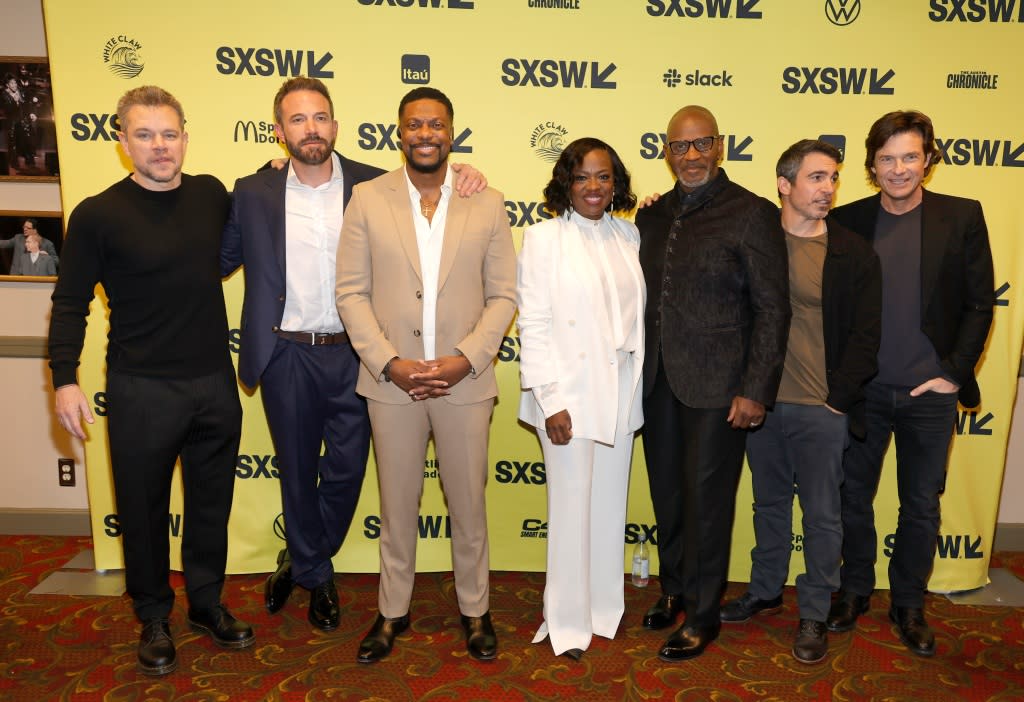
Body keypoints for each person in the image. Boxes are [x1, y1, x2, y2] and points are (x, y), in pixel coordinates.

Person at [221, 76, 487, 632]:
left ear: (336, 126)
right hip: (286, 353)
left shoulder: (372, 186)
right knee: (295, 472)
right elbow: (215, 258)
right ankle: (316, 574)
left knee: (345, 471)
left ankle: (300, 555)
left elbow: (432, 183)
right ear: (279, 131)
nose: (310, 128)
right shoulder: (253, 191)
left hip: (360, 355)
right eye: (297, 119)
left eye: (319, 117)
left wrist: (465, 171)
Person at [49, 86, 254, 677]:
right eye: (145, 134)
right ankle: (154, 617)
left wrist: (276, 167)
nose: (160, 146)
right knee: (141, 511)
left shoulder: (213, 195)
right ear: (123, 143)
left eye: (169, 134)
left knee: (211, 505)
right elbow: (68, 304)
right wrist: (64, 379)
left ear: (185, 137)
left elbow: (264, 212)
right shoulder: (96, 215)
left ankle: (206, 605)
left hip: (214, 382)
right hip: (141, 389)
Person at [336, 86, 516, 664]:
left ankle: (475, 610)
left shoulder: (486, 202)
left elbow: (504, 295)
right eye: (414, 124)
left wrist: (468, 358)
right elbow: (350, 292)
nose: (425, 134)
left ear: (452, 132)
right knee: (396, 505)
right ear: (400, 132)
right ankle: (392, 611)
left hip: (465, 382)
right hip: (393, 383)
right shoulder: (367, 198)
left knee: (468, 504)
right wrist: (389, 362)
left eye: (435, 124)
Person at [826, 110, 995, 657]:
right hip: (866, 392)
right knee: (853, 497)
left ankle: (908, 603)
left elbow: (978, 303)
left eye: (909, 156)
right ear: (872, 166)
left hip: (930, 396)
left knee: (920, 505)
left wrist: (952, 374)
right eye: (887, 158)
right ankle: (853, 591)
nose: (899, 168)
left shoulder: (962, 216)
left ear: (928, 159)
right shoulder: (847, 219)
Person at [636, 104, 790, 661]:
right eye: (681, 146)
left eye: (703, 144)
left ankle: (703, 614)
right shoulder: (650, 216)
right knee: (668, 496)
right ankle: (674, 591)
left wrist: (755, 389)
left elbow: (773, 309)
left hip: (721, 390)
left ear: (720, 147)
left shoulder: (751, 213)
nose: (693, 155)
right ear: (666, 150)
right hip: (656, 382)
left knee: (707, 502)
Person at [719, 139, 881, 664]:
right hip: (761, 404)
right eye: (816, 178)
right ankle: (765, 589)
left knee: (822, 515)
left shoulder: (852, 252)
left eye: (833, 178)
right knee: (768, 504)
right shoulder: (756, 240)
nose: (828, 189)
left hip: (820, 407)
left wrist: (838, 400)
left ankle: (813, 609)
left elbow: (866, 336)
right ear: (784, 185)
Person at [517, 137, 645, 662]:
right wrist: (550, 400)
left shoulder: (629, 234)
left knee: (610, 508)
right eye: (582, 177)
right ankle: (567, 621)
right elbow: (534, 323)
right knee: (570, 510)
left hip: (620, 390)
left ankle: (601, 610)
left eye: (604, 176)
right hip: (567, 394)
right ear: (565, 183)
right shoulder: (544, 238)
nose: (594, 187)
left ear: (616, 183)